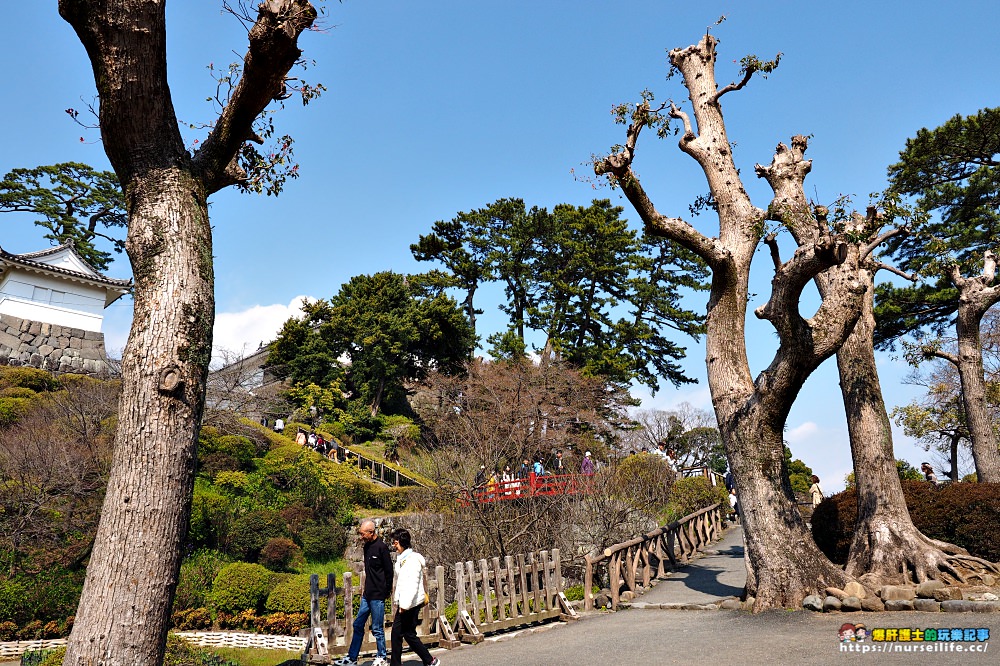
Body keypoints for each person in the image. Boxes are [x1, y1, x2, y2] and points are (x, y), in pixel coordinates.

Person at [334, 520, 392, 666]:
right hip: (367, 595)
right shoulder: (366, 547)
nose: (361, 536)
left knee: (377, 628)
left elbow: (389, 572)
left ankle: (382, 657)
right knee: (358, 625)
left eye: (363, 533)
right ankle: (352, 658)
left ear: (371, 532)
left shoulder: (382, 548)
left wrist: (386, 591)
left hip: (378, 595)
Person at [388, 528, 440, 666]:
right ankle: (429, 660)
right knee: (407, 634)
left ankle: (426, 660)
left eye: (395, 542)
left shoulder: (411, 560)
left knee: (399, 634)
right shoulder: (403, 558)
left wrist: (404, 605)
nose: (394, 545)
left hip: (410, 603)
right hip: (408, 602)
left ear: (401, 542)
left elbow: (411, 584)